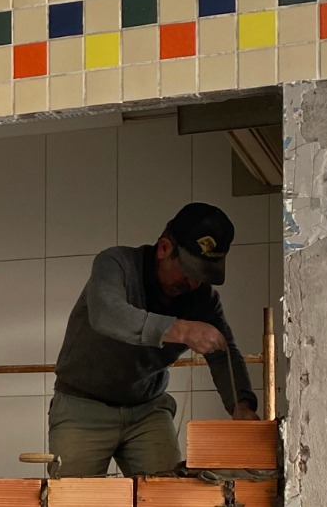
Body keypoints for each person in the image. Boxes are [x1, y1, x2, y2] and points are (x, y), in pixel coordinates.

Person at [49, 201, 260, 477]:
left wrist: (241, 405)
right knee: (73, 506)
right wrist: (181, 330)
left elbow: (224, 353)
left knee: (169, 500)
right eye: (187, 272)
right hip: (82, 408)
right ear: (164, 248)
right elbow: (106, 314)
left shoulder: (203, 299)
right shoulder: (116, 265)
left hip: (147, 411)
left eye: (201, 276)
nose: (193, 284)